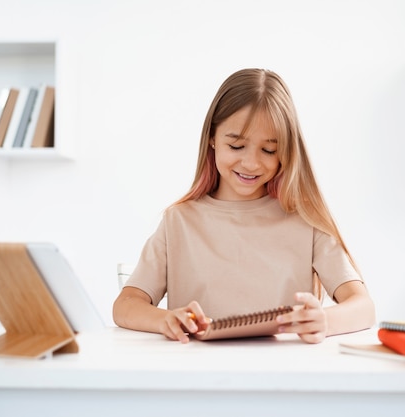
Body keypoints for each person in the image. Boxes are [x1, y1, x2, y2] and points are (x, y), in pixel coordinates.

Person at [113, 68, 375, 344]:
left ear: (285, 152)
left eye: (269, 150)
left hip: (283, 375)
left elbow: (363, 307)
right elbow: (126, 305)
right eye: (237, 146)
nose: (251, 163)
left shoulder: (305, 222)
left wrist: (324, 321)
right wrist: (165, 320)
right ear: (212, 137)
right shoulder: (179, 221)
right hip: (196, 376)